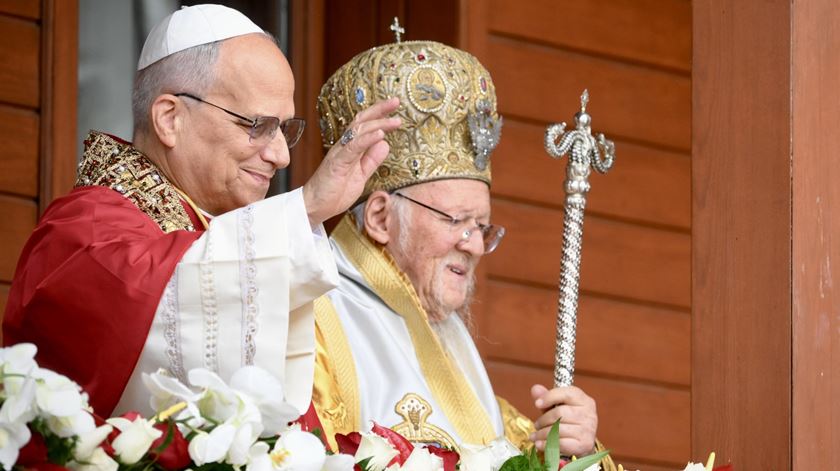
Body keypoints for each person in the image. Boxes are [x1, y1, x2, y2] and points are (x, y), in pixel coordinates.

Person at [2, 4, 401, 419]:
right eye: (258, 125)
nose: (281, 155)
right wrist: (305, 208)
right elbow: (135, 312)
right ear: (170, 119)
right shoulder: (86, 228)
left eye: (284, 129)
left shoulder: (218, 223)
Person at [311, 38, 616, 468]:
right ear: (380, 217)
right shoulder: (316, 318)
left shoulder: (445, 338)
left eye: (482, 227)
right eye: (455, 221)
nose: (473, 245)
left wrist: (570, 445)